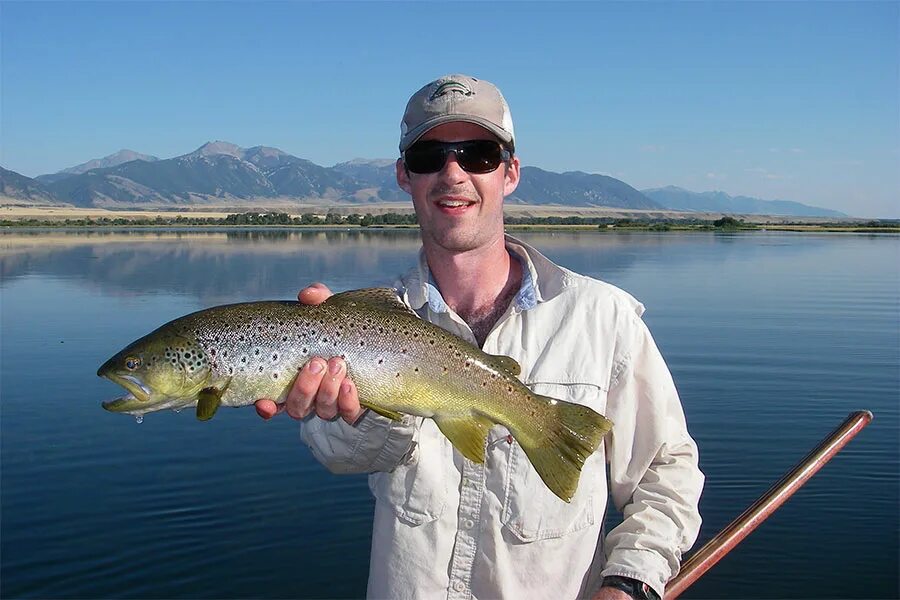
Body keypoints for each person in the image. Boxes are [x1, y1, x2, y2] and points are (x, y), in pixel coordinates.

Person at [255, 74, 704, 600]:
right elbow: (343, 458)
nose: (453, 173)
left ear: (510, 173)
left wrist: (629, 581)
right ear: (404, 176)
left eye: (479, 155)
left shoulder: (605, 319)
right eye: (429, 156)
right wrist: (350, 413)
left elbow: (665, 472)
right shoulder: (354, 325)